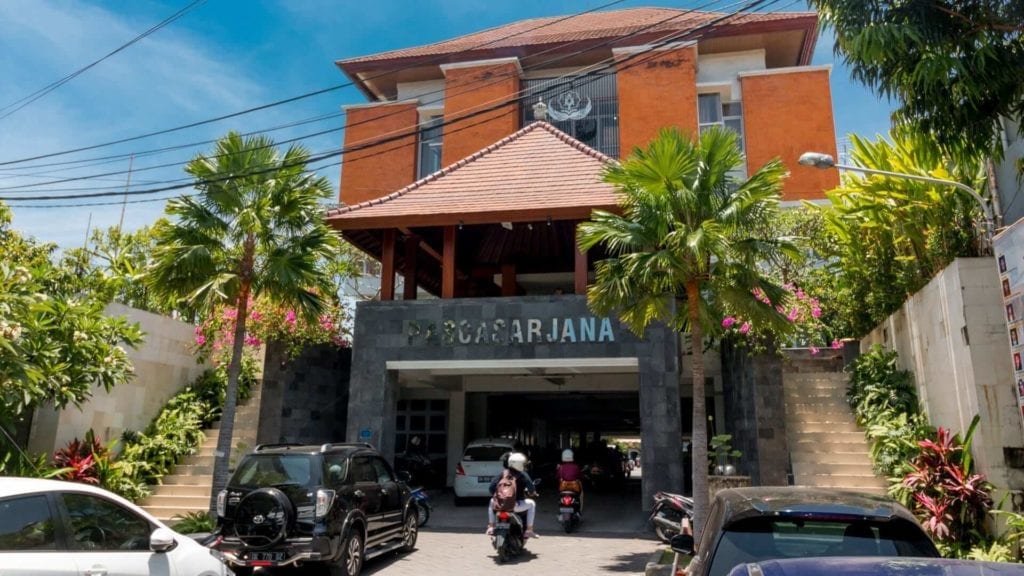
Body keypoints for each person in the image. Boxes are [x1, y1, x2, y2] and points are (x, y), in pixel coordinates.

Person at [486, 452, 539, 539]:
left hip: (500, 504)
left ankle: (491, 526)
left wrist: (499, 497)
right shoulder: (523, 475)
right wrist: (532, 493)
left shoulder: (503, 473)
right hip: (514, 505)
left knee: (491, 501)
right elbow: (531, 489)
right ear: (520, 464)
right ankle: (529, 530)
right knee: (532, 504)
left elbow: (491, 488)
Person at [556, 448, 583, 512]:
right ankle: (579, 511)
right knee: (581, 495)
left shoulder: (561, 467)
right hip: (574, 487)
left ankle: (560, 509)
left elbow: (557, 477)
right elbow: (580, 476)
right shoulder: (576, 467)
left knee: (560, 497)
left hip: (563, 487)